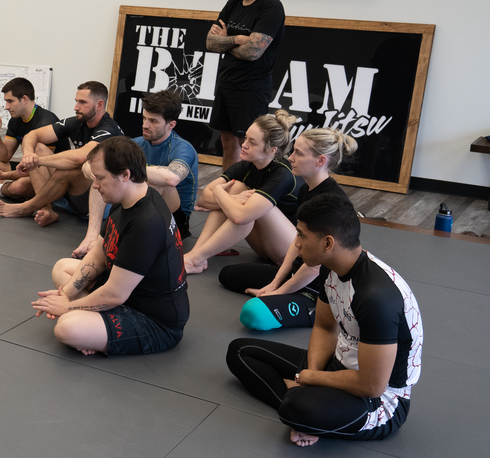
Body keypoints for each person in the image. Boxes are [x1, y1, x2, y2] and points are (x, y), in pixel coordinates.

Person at [226, 193, 422, 447]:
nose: (296, 243)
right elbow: (324, 325)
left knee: (297, 408)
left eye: (302, 235)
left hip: (380, 400)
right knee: (240, 351)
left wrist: (311, 380)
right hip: (337, 365)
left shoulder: (376, 298)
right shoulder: (330, 266)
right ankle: (311, 411)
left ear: (328, 243)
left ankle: (305, 410)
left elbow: (372, 385)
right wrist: (313, 374)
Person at [31, 137, 189, 356]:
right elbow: (99, 253)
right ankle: (93, 325)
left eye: (100, 178)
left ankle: (92, 327)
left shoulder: (146, 222)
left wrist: (66, 307)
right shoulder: (128, 199)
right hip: (128, 293)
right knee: (62, 268)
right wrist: (66, 294)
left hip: (154, 320)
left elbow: (115, 294)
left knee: (67, 327)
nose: (95, 185)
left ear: (125, 175)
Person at [220, 128, 358, 330]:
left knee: (253, 315)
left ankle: (307, 306)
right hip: (298, 273)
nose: (290, 157)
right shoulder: (305, 188)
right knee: (228, 275)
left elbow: (316, 266)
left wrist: (279, 292)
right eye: (293, 151)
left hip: (320, 290)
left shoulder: (331, 202)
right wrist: (275, 282)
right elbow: (298, 240)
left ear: (320, 161)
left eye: (299, 153)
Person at [0, 81, 123, 250]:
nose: (76, 107)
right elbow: (33, 134)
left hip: (101, 201)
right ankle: (46, 209)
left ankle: (28, 206)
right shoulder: (77, 122)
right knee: (39, 148)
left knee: (69, 171)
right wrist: (28, 155)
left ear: (99, 105)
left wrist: (37, 161)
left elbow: (80, 157)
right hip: (73, 194)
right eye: (76, 101)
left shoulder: (109, 129)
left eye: (82, 102)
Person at [183, 111, 302, 275]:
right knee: (236, 189)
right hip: (263, 247)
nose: (244, 144)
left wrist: (219, 192)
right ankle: (198, 256)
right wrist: (230, 197)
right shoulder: (246, 165)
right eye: (246, 138)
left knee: (244, 203)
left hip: (289, 251)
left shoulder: (282, 174)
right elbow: (203, 200)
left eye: (252, 142)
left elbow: (241, 217)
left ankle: (195, 258)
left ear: (271, 150)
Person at [207, 0, 286, 172]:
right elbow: (210, 42)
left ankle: (250, 194)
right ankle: (228, 186)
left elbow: (253, 52)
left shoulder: (271, 7)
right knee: (227, 141)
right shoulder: (232, 4)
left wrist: (227, 41)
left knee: (249, 146)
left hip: (251, 88)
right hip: (226, 83)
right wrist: (240, 39)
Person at [0, 77, 62, 198]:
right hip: (28, 169)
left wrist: (3, 175)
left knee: (20, 185)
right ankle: (9, 189)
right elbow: (3, 157)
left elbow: (41, 169)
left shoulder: (46, 121)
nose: (6, 106)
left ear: (24, 99)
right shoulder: (16, 120)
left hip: (49, 174)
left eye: (10, 101)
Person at [134, 89, 199, 240]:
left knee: (159, 181)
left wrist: (128, 168)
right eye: (144, 118)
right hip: (142, 212)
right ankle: (93, 235)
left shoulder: (183, 148)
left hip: (176, 221)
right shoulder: (137, 143)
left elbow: (172, 179)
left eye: (153, 121)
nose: (145, 125)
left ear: (171, 124)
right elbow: (97, 160)